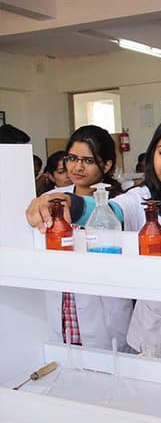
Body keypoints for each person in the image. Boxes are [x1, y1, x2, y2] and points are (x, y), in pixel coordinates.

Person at [26, 117, 161, 365]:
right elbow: (108, 211)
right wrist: (69, 203)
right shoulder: (138, 198)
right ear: (153, 155)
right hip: (155, 331)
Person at [25, 125, 131, 351]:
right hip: (63, 307)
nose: (77, 167)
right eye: (72, 158)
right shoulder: (49, 200)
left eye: (88, 161)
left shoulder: (119, 205)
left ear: (107, 165)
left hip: (104, 314)